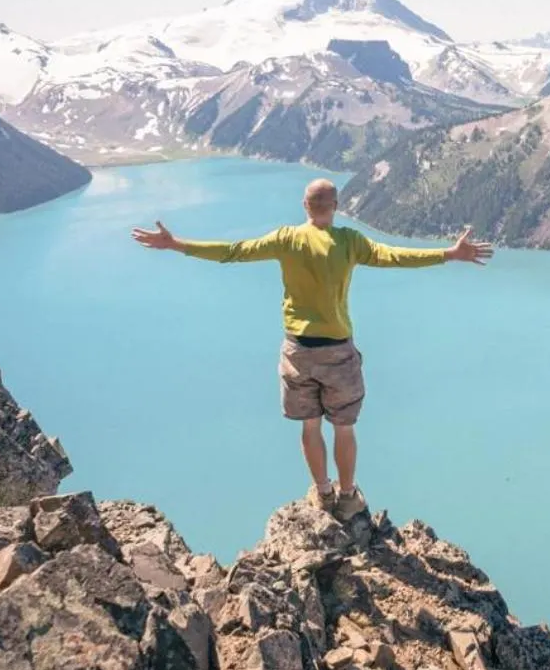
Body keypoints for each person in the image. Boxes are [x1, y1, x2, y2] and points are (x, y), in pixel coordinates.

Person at [130, 178, 492, 520]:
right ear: (335, 206)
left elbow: (233, 252)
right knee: (345, 429)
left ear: (305, 205)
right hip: (338, 352)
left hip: (298, 351)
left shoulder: (286, 239)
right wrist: (449, 253)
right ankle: (348, 497)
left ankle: (323, 492)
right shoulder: (351, 241)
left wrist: (176, 244)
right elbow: (396, 256)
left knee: (310, 427)